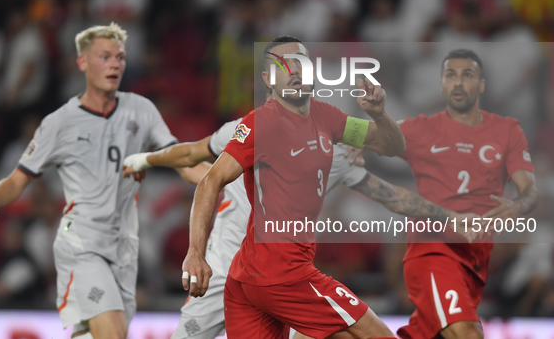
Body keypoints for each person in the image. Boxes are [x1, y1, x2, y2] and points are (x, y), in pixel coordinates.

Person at [123, 114, 478, 339]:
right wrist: (144, 159)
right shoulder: (242, 132)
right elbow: (191, 162)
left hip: (279, 275)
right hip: (226, 274)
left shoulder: (333, 154)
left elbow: (394, 195)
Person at [0, 23, 205, 339]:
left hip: (124, 240)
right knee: (110, 330)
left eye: (119, 57)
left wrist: (221, 178)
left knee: (98, 332)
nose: (114, 64)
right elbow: (17, 180)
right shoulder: (60, 123)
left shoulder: (141, 111)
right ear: (82, 63)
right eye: (104, 57)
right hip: (80, 237)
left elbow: (179, 161)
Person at [177, 34, 400, 339]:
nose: (294, 70)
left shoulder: (327, 117)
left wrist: (379, 115)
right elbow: (210, 180)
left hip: (248, 279)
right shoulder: (262, 123)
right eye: (283, 65)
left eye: (301, 62)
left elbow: (389, 144)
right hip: (283, 273)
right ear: (268, 79)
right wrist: (195, 253)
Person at [395, 49, 538, 339]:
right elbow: (371, 134)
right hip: (434, 250)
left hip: (474, 262)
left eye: (467, 75)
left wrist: (519, 205)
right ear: (442, 85)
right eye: (451, 75)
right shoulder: (421, 128)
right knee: (468, 334)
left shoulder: (507, 130)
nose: (458, 83)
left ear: (481, 85)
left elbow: (529, 190)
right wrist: (351, 142)